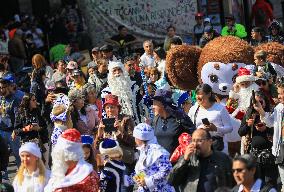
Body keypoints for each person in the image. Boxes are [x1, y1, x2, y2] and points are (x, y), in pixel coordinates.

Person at [168, 128, 233, 191]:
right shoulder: (187, 159)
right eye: (193, 140)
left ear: (210, 142)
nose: (195, 144)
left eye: (200, 141)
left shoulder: (222, 158)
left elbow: (233, 182)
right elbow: (171, 181)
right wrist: (184, 160)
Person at [125, 123, 175, 191]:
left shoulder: (158, 151)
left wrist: (148, 181)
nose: (135, 140)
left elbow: (166, 169)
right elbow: (144, 171)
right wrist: (128, 180)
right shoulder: (144, 150)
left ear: (140, 139)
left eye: (135, 138)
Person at [253, 81, 284, 191]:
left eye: (282, 93)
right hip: (280, 150)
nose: (280, 96)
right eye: (279, 93)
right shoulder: (279, 108)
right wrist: (260, 109)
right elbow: (270, 122)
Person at [188, 84, 233, 152]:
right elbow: (189, 126)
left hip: (217, 146)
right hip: (199, 146)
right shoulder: (193, 109)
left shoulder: (220, 108)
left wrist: (216, 129)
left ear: (208, 94)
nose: (198, 97)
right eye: (197, 94)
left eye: (200, 94)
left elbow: (229, 128)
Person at [152, 89, 195, 153]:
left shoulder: (180, 118)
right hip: (161, 161)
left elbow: (193, 135)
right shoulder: (156, 119)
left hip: (178, 161)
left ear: (163, 104)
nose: (153, 107)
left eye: (155, 104)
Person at [13, 93, 48, 161]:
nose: (36, 102)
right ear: (27, 102)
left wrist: (39, 128)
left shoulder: (38, 111)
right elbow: (16, 131)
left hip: (40, 142)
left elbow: (45, 126)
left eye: (35, 99)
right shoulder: (20, 113)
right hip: (26, 144)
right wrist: (26, 129)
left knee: (43, 166)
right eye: (33, 100)